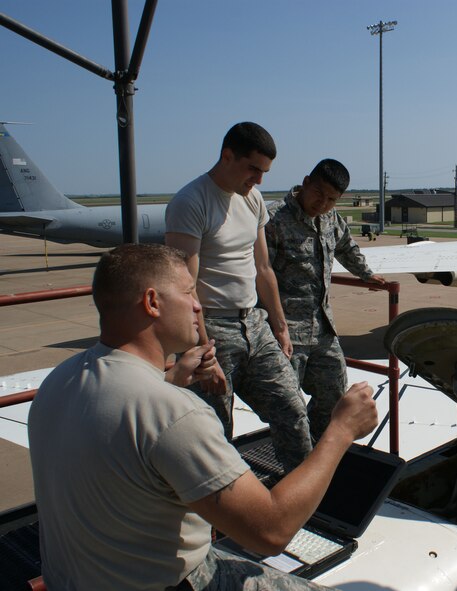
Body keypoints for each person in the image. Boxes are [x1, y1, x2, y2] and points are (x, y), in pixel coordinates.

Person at [28, 244, 378, 589]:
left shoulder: (60, 380)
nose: (199, 306)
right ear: (152, 303)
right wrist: (340, 430)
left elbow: (120, 420)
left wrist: (169, 380)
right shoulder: (173, 412)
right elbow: (271, 531)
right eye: (189, 293)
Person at [165, 122, 312, 471]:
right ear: (227, 156)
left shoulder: (253, 199)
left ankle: (302, 498)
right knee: (213, 433)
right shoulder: (191, 202)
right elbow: (185, 287)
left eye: (264, 172)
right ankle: (218, 517)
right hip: (211, 328)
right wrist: (203, 354)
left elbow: (263, 268)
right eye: (253, 169)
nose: (259, 180)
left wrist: (280, 326)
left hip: (254, 323)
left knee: (292, 411)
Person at [265, 159, 386, 442]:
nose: (323, 203)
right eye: (319, 193)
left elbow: (345, 246)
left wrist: (366, 274)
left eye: (332, 199)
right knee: (287, 408)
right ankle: (293, 465)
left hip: (323, 330)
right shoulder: (273, 219)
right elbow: (260, 274)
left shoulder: (331, 218)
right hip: (285, 333)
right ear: (305, 182)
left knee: (334, 396)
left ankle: (318, 455)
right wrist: (274, 327)